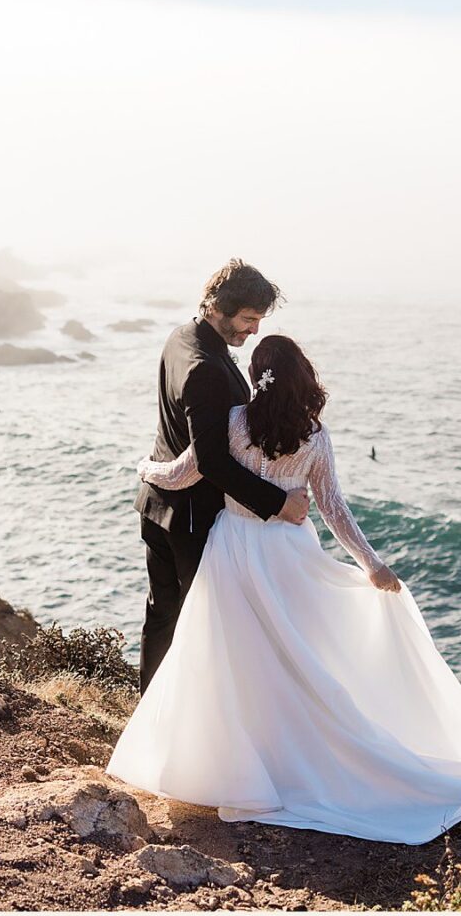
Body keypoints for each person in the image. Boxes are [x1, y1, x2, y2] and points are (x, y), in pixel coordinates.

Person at [107, 335, 461, 844]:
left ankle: (245, 765)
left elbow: (178, 476)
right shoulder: (315, 436)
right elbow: (333, 509)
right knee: (296, 661)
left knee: (234, 658)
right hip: (288, 556)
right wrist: (372, 564)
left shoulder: (233, 423)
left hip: (232, 550)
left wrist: (141, 466)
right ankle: (297, 757)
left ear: (257, 379)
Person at [133, 259, 310, 693]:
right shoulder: (207, 369)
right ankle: (185, 725)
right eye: (248, 319)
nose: (252, 332)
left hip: (156, 506)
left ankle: (150, 715)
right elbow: (212, 461)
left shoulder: (181, 337)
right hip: (191, 518)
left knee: (163, 614)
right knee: (202, 624)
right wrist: (278, 502)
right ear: (217, 307)